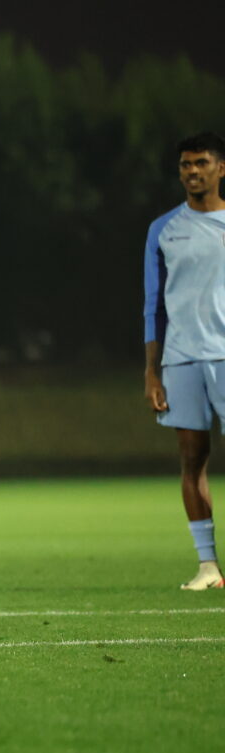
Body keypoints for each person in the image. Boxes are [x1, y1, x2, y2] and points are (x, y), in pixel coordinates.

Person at [144, 131, 225, 590]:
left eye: (201, 163)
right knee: (191, 459)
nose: (192, 171)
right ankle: (208, 567)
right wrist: (151, 371)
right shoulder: (163, 229)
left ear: (221, 169)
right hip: (181, 360)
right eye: (185, 165)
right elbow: (152, 304)